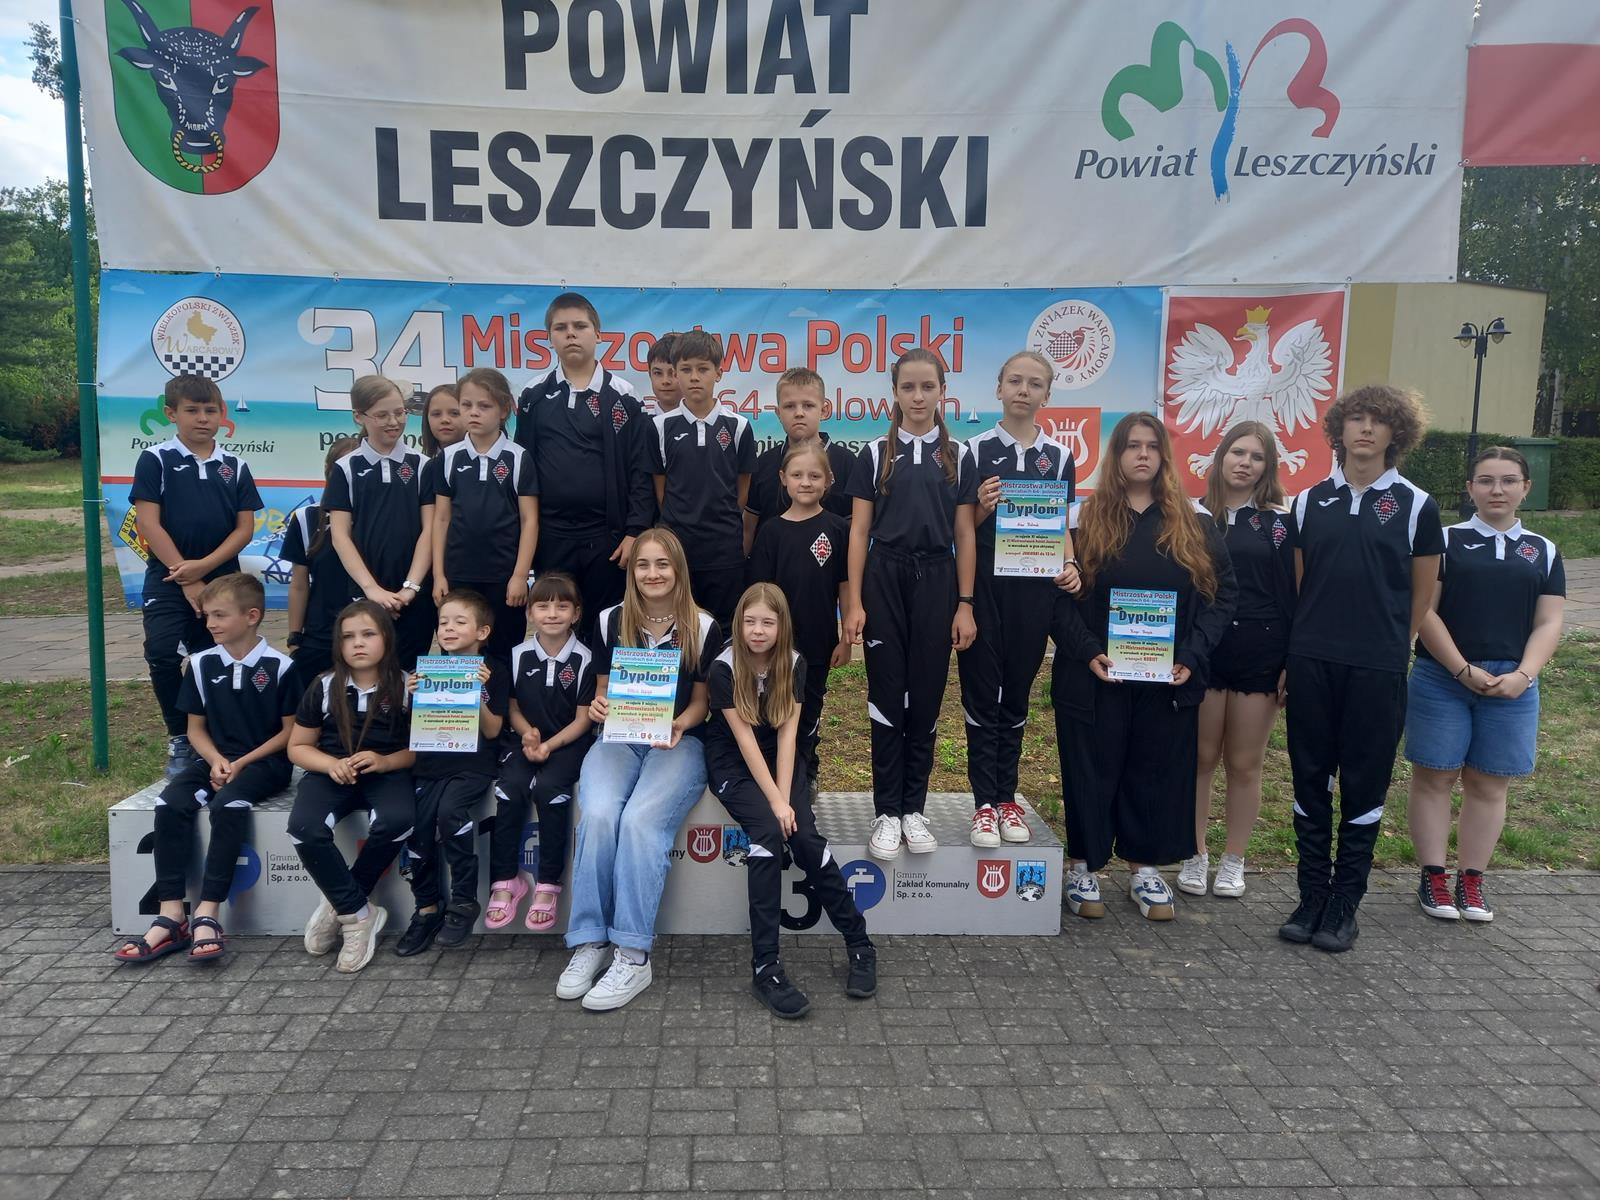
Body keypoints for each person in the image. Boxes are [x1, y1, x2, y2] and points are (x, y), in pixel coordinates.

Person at [1050, 413, 1235, 922]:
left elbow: (1223, 597)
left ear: (1164, 456)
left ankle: (1143, 869)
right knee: (1090, 771)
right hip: (1095, 674)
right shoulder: (1081, 520)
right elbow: (1057, 597)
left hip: (1165, 679)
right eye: (1132, 446)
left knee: (1152, 771)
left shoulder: (1194, 522)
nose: (1143, 455)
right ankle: (1082, 866)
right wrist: (1087, 650)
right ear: (1116, 455)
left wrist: (1191, 657)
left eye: (1152, 446)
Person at [1280, 385, 1443, 953]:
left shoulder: (1417, 506)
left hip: (1376, 666)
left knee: (1364, 785)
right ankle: (1311, 897)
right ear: (1339, 430)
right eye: (1356, 419)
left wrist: (1390, 645)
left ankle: (1345, 904)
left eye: (1378, 420)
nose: (1366, 429)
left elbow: (1422, 594)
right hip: (1312, 661)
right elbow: (1301, 582)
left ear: (1397, 432)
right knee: (1310, 780)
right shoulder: (1308, 501)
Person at [558, 528, 720, 1012]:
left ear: (678, 569)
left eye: (662, 564)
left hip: (679, 741)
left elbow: (702, 703)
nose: (652, 573)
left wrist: (679, 724)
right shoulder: (610, 619)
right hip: (620, 737)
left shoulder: (703, 626)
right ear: (632, 570)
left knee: (640, 820)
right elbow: (602, 689)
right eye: (643, 564)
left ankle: (632, 954)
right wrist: (600, 706)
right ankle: (590, 940)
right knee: (600, 813)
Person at [1406, 446, 1565, 923]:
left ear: (1525, 488)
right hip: (1443, 676)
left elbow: (1549, 621)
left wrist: (1524, 675)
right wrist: (1460, 669)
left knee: (1490, 783)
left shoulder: (1542, 550)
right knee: (1435, 776)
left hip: (1512, 685)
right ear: (1470, 488)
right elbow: (1425, 610)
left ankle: (1472, 880)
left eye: (1509, 480)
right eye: (1486, 480)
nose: (1498, 490)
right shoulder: (1444, 541)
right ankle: (1434, 877)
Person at [707, 583, 876, 1018]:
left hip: (779, 759)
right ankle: (766, 968)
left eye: (767, 622)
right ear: (739, 624)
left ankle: (859, 943)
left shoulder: (795, 662)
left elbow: (787, 737)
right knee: (766, 833)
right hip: (734, 762)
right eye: (749, 621)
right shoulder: (723, 667)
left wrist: (785, 800)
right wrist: (775, 805)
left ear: (782, 626)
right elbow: (744, 741)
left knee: (803, 837)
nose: (757, 631)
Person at [112, 574, 297, 964]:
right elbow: (194, 729)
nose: (209, 623)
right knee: (169, 804)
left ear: (252, 616)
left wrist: (240, 762)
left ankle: (208, 912)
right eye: (207, 615)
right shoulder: (200, 664)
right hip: (213, 760)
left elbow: (288, 734)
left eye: (219, 615)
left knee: (228, 806)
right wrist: (215, 760)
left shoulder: (281, 666)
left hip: (264, 764)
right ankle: (171, 915)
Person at [842, 349, 977, 861]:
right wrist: (855, 603)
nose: (918, 397)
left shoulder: (958, 455)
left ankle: (914, 809)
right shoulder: (875, 452)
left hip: (938, 580)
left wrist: (965, 603)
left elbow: (964, 534)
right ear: (894, 392)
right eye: (908, 387)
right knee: (885, 693)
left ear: (943, 391)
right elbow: (859, 531)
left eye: (927, 387)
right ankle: (886, 811)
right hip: (885, 577)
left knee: (925, 694)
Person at [958, 350, 1080, 849]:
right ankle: (983, 804)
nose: (1023, 390)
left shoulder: (1061, 457)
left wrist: (1071, 564)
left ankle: (1007, 797)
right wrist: (983, 509)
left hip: (1034, 593)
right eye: (1014, 381)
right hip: (986, 590)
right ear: (999, 388)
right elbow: (962, 529)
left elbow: (1063, 526)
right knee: (981, 694)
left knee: (1017, 695)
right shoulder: (973, 450)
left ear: (1047, 394)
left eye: (1034, 384)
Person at [1178, 421, 1296, 899]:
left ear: (1268, 467)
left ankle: (1233, 860)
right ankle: (1194, 854)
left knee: (1245, 763)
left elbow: (1293, 594)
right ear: (1221, 457)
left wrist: (1291, 660)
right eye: (1238, 453)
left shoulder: (1280, 523)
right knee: (1200, 758)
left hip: (1260, 654)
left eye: (1256, 456)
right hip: (1203, 651)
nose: (1245, 463)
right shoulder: (1190, 515)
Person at [131, 374, 262, 778]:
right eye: (192, 410)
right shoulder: (155, 459)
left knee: (217, 659)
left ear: (222, 414)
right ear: (171, 414)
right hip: (169, 579)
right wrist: (188, 579)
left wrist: (204, 570)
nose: (203, 418)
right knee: (161, 652)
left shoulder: (235, 465)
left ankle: (221, 737)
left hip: (222, 582)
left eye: (210, 410)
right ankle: (181, 738)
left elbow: (244, 529)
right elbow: (148, 524)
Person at [515, 292, 655, 642]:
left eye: (580, 326)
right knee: (557, 622)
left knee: (606, 627)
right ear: (549, 337)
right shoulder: (533, 395)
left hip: (607, 537)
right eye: (561, 328)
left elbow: (640, 469)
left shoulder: (624, 396)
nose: (571, 334)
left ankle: (600, 679)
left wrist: (635, 531)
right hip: (551, 536)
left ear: (598, 334)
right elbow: (523, 469)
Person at [287, 600, 416, 973]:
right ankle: (359, 914)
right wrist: (332, 764)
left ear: (387, 639)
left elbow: (420, 752)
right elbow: (298, 747)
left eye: (368, 634)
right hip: (331, 773)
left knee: (397, 821)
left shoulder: (407, 686)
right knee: (304, 828)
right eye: (348, 637)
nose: (358, 643)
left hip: (387, 772)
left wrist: (385, 761)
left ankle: (341, 905)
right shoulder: (324, 685)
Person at [397, 590, 510, 955]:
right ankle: (426, 907)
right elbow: (416, 729)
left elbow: (493, 730)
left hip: (472, 766)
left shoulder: (494, 671)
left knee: (450, 815)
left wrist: (478, 691)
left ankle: (463, 902)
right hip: (430, 765)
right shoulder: (425, 672)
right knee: (417, 824)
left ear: (482, 632)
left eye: (460, 622)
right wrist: (410, 697)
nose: (448, 628)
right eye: (443, 622)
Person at [492, 571, 597, 932]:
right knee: (510, 788)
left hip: (568, 743)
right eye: (543, 606)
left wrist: (549, 744)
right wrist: (528, 735)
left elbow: (583, 719)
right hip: (525, 740)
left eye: (562, 606)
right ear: (529, 613)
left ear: (576, 613)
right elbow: (512, 707)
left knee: (551, 790)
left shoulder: (586, 659)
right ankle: (505, 881)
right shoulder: (517, 655)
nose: (552, 614)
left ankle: (549, 883)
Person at [746, 441, 851, 794]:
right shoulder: (771, 532)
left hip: (818, 643)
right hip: (776, 647)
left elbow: (844, 584)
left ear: (829, 480)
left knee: (809, 711)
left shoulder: (837, 529)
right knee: (771, 708)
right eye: (797, 475)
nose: (805, 482)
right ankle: (770, 773)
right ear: (783, 479)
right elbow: (759, 594)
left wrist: (845, 639)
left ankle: (805, 775)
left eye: (814, 476)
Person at [324, 375, 435, 669]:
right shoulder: (346, 468)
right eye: (382, 415)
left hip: (414, 594)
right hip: (364, 593)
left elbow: (430, 530)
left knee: (411, 673)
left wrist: (411, 587)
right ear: (359, 416)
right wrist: (371, 589)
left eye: (400, 412)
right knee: (368, 671)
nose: (393, 422)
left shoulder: (421, 465)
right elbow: (340, 536)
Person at [649, 330, 756, 627]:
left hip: (724, 550)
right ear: (676, 374)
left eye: (703, 369)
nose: (694, 377)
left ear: (718, 373)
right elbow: (661, 491)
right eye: (686, 369)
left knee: (723, 628)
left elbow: (742, 490)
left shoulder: (738, 426)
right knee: (678, 625)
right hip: (677, 549)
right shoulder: (659, 427)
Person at [431, 367, 539, 663]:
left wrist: (520, 576)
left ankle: (500, 696)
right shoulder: (448, 458)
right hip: (458, 574)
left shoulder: (518, 458)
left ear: (503, 410)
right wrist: (439, 575)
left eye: (484, 406)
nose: (474, 413)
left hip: (503, 577)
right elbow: (441, 519)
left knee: (503, 652)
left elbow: (529, 521)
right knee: (457, 649)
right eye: (466, 405)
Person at [743, 367, 857, 547]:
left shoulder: (847, 463)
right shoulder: (763, 464)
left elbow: (856, 530)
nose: (799, 413)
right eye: (789, 406)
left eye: (808, 405)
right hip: (772, 564)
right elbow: (748, 529)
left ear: (824, 410)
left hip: (832, 564)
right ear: (778, 413)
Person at [282, 436, 360, 680]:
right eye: (341, 468)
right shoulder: (306, 518)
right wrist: (295, 637)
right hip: (321, 635)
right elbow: (299, 584)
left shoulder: (386, 516)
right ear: (328, 470)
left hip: (371, 633)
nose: (348, 476)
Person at [419, 383, 463, 457]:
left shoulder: (481, 461)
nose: (444, 420)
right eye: (436, 414)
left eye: (454, 413)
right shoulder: (421, 461)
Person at [646, 332, 681, 414]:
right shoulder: (636, 419)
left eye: (673, 373)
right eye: (658, 373)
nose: (665, 381)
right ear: (650, 375)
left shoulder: (702, 419)